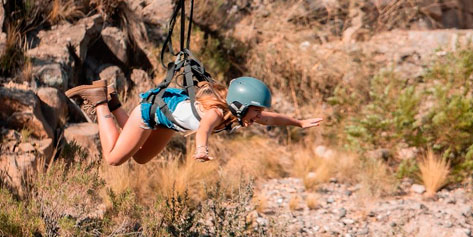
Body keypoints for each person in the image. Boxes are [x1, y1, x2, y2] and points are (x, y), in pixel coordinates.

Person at [65, 77, 323, 166]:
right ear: (241, 106)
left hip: (166, 123)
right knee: (113, 158)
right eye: (255, 112)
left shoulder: (237, 114)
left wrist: (298, 123)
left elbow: (271, 119)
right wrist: (202, 149)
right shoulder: (216, 114)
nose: (258, 117)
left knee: (140, 158)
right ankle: (99, 100)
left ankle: (113, 102)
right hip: (148, 114)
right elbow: (203, 131)